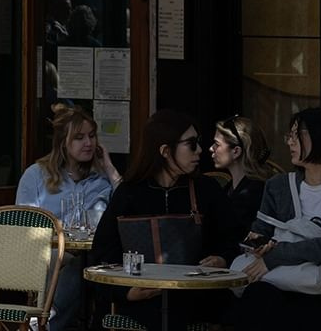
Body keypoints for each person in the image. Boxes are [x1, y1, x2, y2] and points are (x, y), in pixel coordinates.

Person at [90, 109, 234, 331]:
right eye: (191, 143)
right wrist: (126, 292)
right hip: (142, 299)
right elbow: (101, 255)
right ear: (165, 151)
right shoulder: (129, 193)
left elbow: (232, 239)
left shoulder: (207, 190)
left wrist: (222, 258)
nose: (200, 150)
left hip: (195, 297)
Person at [236, 107, 321, 331]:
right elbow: (259, 232)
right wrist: (258, 245)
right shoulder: (278, 186)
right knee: (256, 298)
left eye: (297, 134)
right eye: (289, 135)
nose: (290, 141)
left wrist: (278, 253)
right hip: (276, 283)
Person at [16, 104, 122, 331]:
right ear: (63, 141)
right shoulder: (36, 175)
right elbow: (23, 225)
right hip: (45, 254)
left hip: (92, 257)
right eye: (79, 138)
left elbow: (129, 207)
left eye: (92, 136)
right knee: (73, 266)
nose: (88, 143)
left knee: (83, 266)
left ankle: (40, 326)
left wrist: (110, 168)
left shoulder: (102, 179)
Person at [210, 114, 276, 245]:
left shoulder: (255, 193)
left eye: (217, 144)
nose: (211, 148)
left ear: (236, 151)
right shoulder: (231, 188)